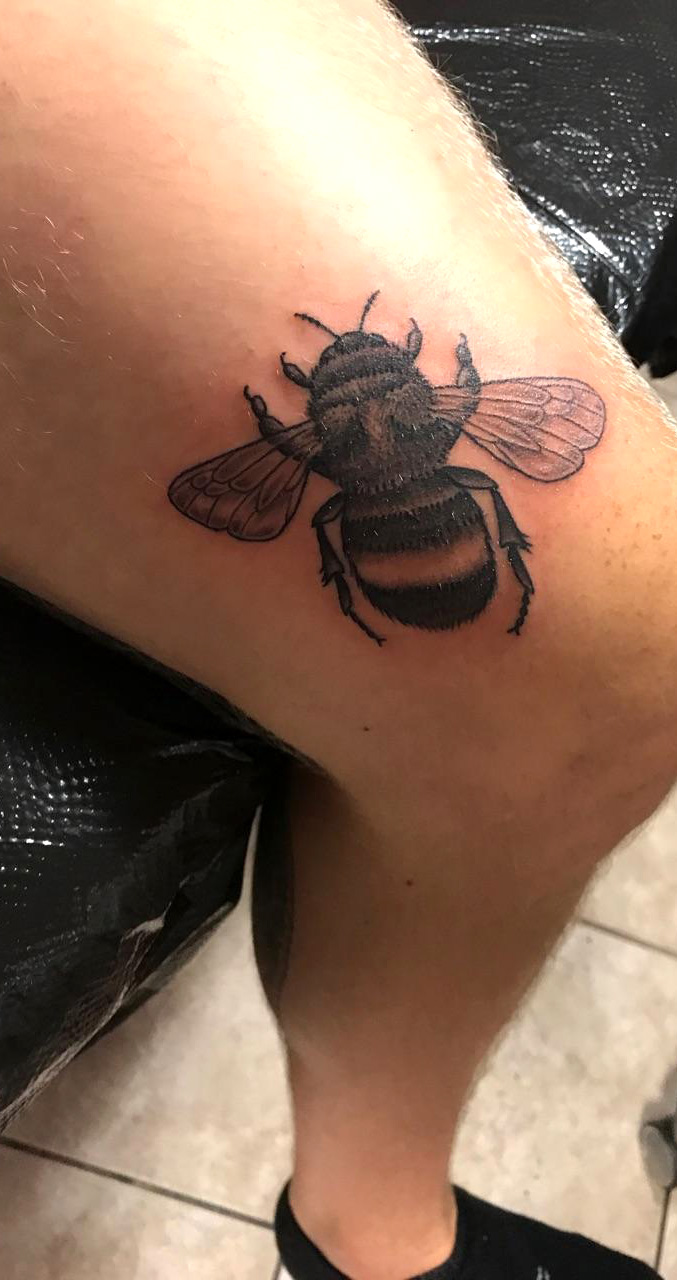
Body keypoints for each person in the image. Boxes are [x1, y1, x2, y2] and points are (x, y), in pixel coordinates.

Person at [2, 2, 677, 1277]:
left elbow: (264, 471)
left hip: (376, 525)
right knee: (591, 638)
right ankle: (369, 1232)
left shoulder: (304, 446)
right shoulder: (450, 412)